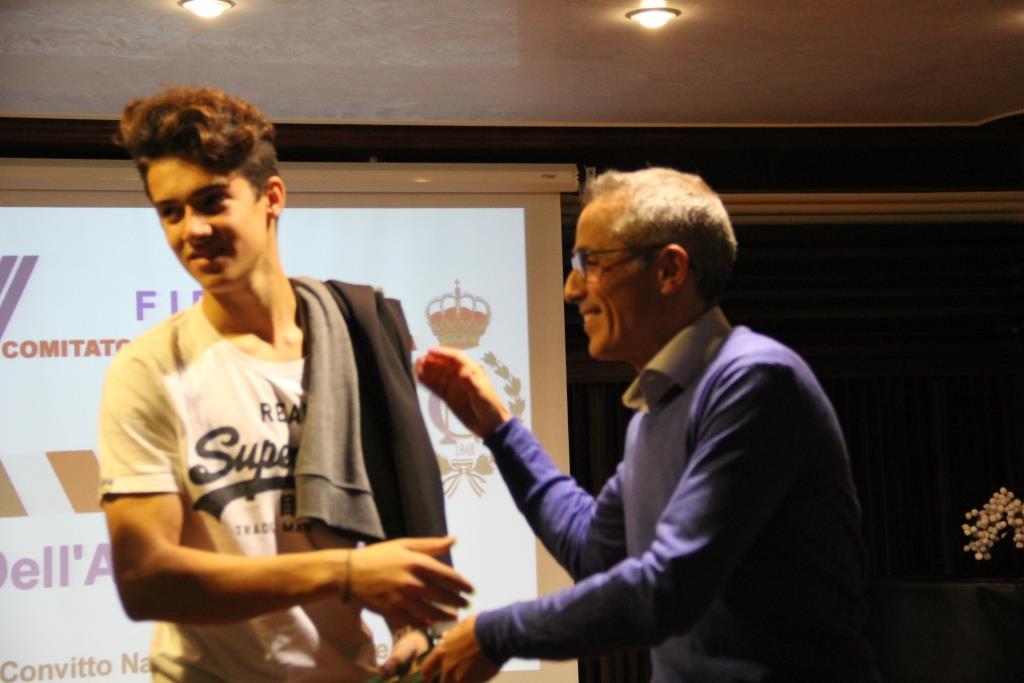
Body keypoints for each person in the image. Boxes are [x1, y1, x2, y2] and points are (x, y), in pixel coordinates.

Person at [416, 168, 880, 682]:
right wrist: (499, 430)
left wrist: (496, 633)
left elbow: (668, 588)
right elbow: (594, 552)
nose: (572, 289)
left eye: (590, 263)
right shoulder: (658, 411)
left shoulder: (754, 380)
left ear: (669, 270)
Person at [97, 86, 472, 682]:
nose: (193, 229)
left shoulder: (354, 336)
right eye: (171, 212)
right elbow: (146, 581)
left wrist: (413, 630)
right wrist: (342, 575)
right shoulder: (149, 369)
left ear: (272, 197)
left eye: (212, 201)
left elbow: (398, 517)